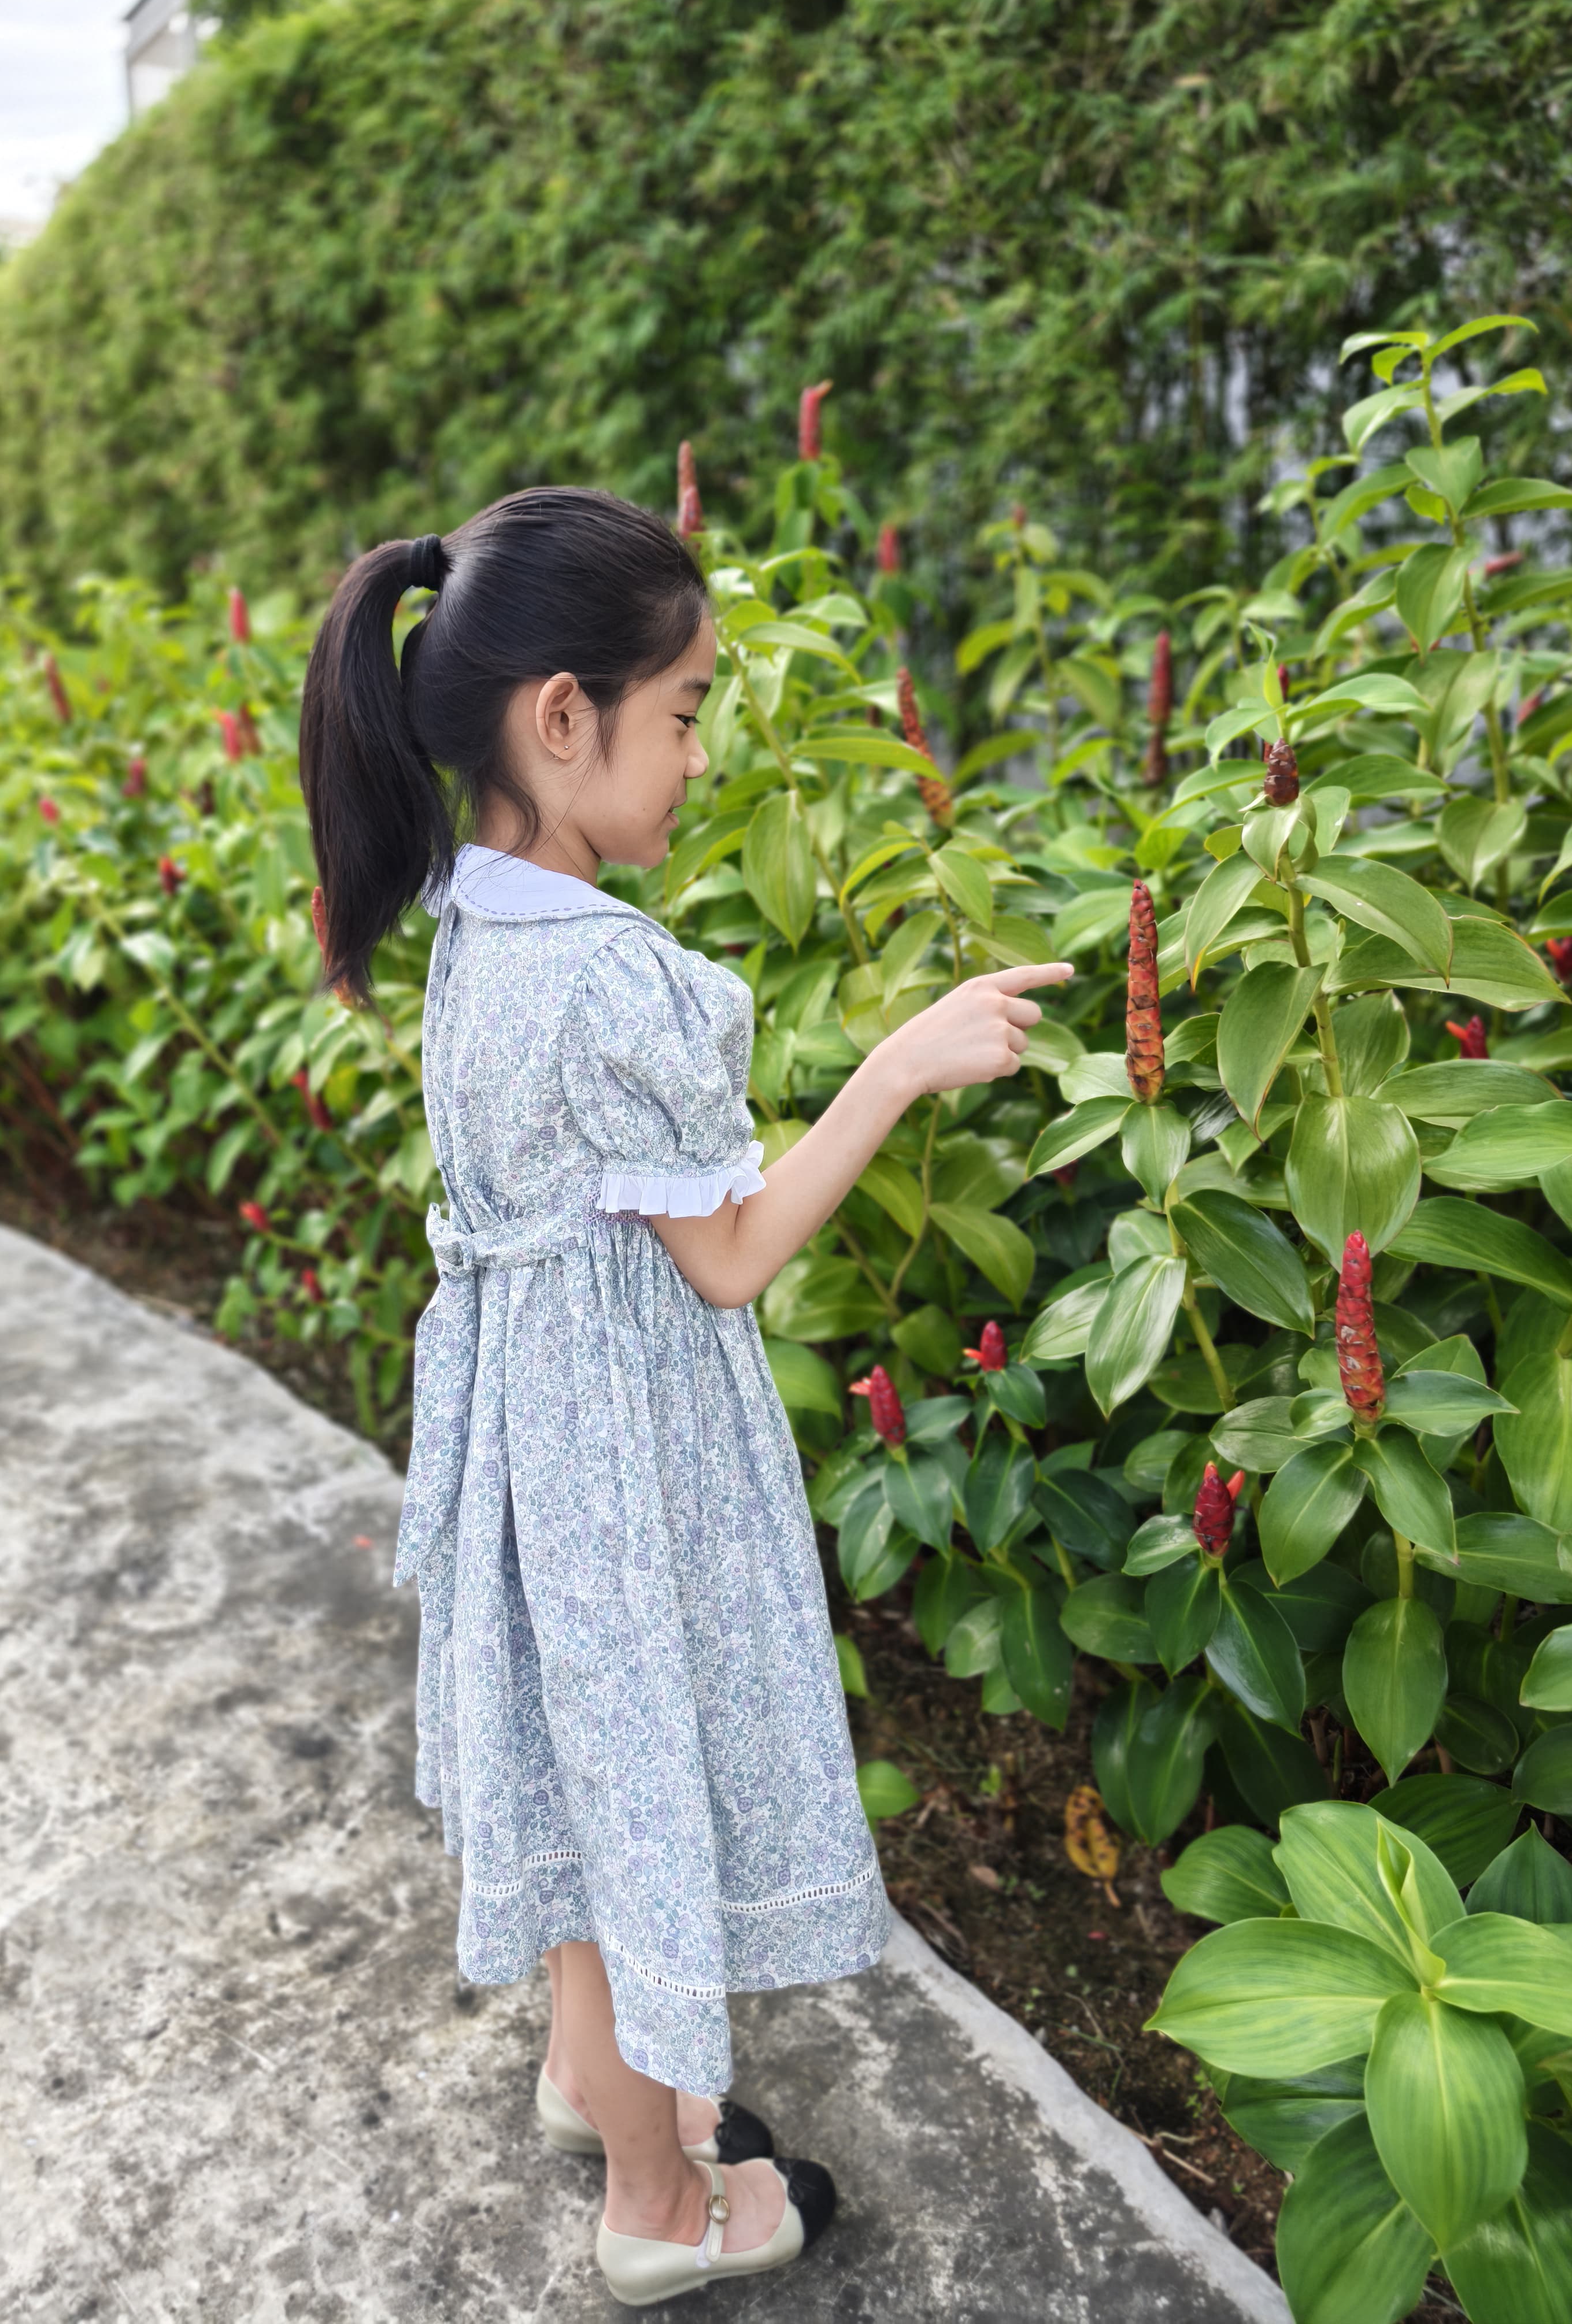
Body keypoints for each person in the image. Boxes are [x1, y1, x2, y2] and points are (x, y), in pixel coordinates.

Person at [298, 488, 1069, 2304]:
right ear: (562, 717)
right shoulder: (611, 978)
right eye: (689, 712)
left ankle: (594, 2080)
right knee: (643, 1799)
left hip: (534, 1440)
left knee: (590, 1783)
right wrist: (897, 1067)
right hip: (620, 1461)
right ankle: (659, 2201)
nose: (704, 753)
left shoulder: (474, 926)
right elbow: (728, 1259)